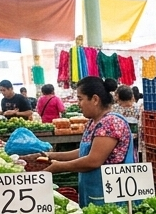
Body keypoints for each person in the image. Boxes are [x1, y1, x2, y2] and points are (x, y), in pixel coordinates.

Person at [39, 77, 136, 206]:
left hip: (108, 196)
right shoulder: (94, 122)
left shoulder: (110, 123)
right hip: (94, 190)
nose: (78, 104)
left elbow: (93, 160)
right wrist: (52, 155)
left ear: (95, 99)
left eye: (80, 99)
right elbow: (86, 151)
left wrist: (60, 166)